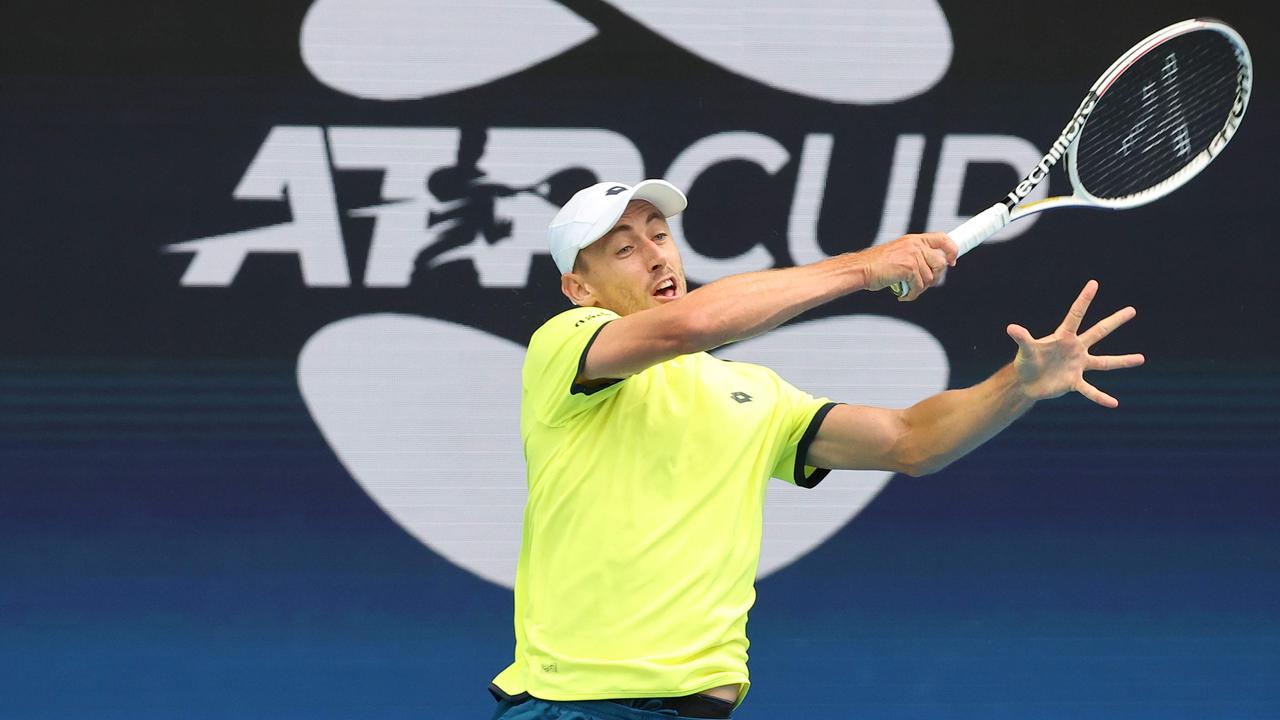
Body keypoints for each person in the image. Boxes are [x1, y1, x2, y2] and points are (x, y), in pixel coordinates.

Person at [489, 180, 1143, 719]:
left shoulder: (753, 395)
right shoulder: (564, 345)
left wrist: (1017, 386)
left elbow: (911, 443)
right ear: (580, 288)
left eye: (660, 236)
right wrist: (865, 267)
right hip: (574, 707)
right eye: (624, 250)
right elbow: (691, 326)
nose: (658, 257)